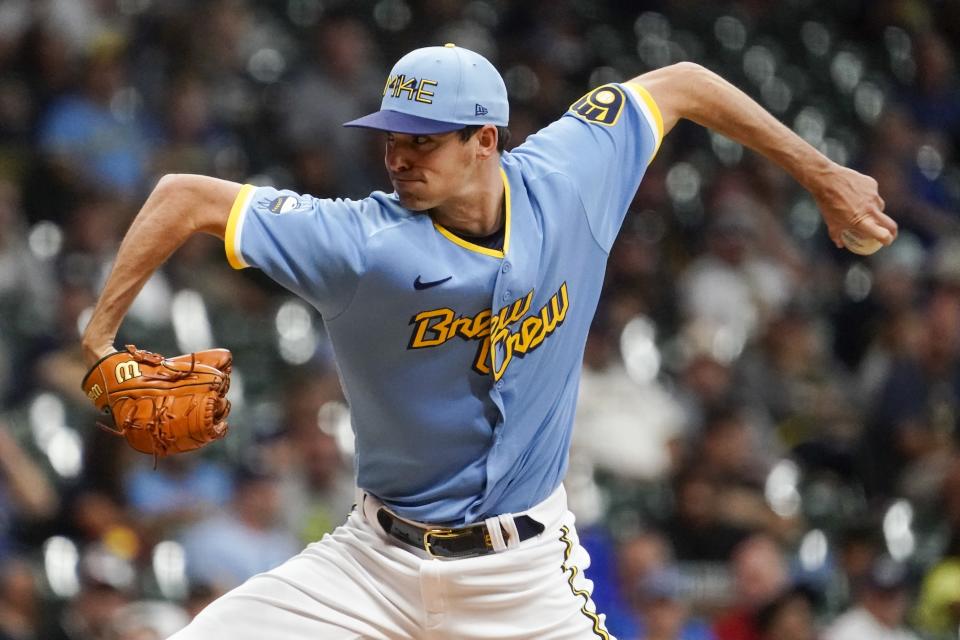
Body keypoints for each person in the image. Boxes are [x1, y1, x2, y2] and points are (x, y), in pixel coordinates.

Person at [80, 43, 895, 639]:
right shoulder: (361, 241)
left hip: (525, 577)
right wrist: (99, 335)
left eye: (422, 139)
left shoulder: (572, 177)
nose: (397, 156)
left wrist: (822, 175)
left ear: (485, 139)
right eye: (391, 137)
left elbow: (680, 83)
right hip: (371, 565)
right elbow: (182, 196)